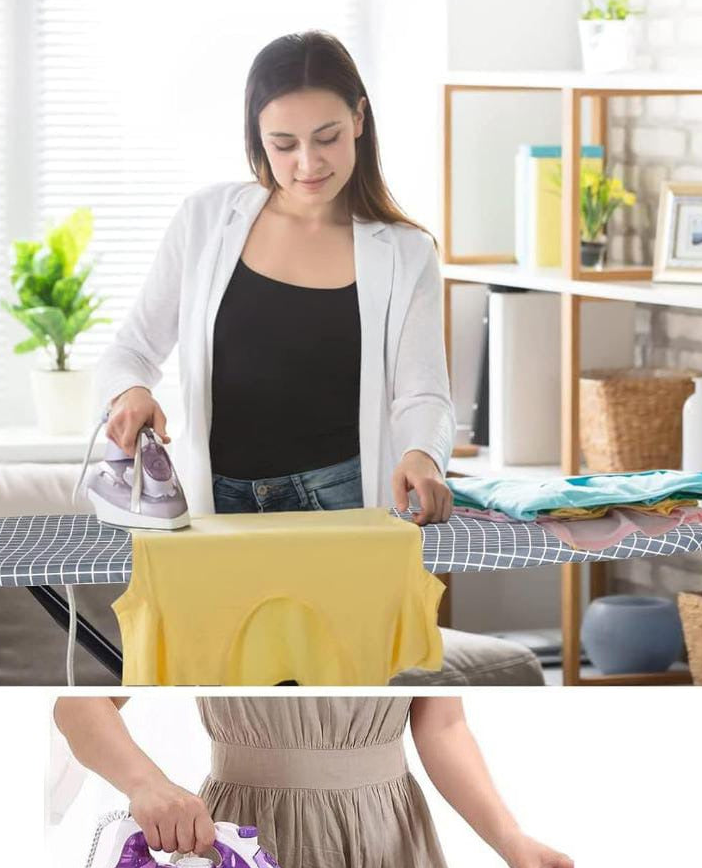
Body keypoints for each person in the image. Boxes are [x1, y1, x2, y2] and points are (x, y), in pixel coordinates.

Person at [97, 30, 455, 526]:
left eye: (327, 137)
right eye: (284, 144)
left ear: (358, 119)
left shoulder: (406, 253)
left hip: (343, 500)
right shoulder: (205, 220)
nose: (308, 163)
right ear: (257, 139)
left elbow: (423, 394)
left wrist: (424, 455)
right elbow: (130, 351)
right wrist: (130, 392)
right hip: (217, 505)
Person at [53, 696, 573, 868]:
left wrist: (510, 838)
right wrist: (148, 783)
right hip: (255, 832)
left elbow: (442, 726)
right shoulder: (218, 585)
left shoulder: (395, 576)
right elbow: (79, 705)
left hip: (392, 837)